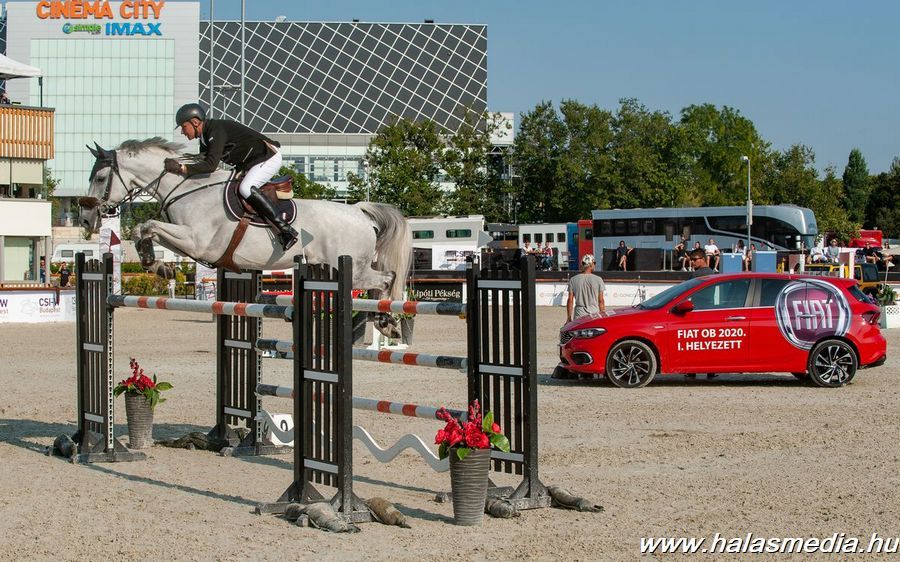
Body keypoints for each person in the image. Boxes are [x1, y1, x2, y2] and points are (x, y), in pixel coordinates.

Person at [167, 103, 298, 251]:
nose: (183, 132)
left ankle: (286, 230)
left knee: (245, 188)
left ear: (195, 122)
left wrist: (181, 168)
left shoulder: (215, 130)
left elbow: (210, 166)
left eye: (184, 127)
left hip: (267, 157)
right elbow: (203, 163)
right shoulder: (205, 137)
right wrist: (178, 163)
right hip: (250, 163)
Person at [566, 254, 605, 322]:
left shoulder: (573, 279)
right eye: (594, 263)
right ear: (590, 264)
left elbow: (570, 301)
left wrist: (569, 318)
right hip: (594, 314)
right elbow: (601, 301)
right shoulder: (598, 279)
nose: (595, 265)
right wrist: (603, 317)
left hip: (579, 314)